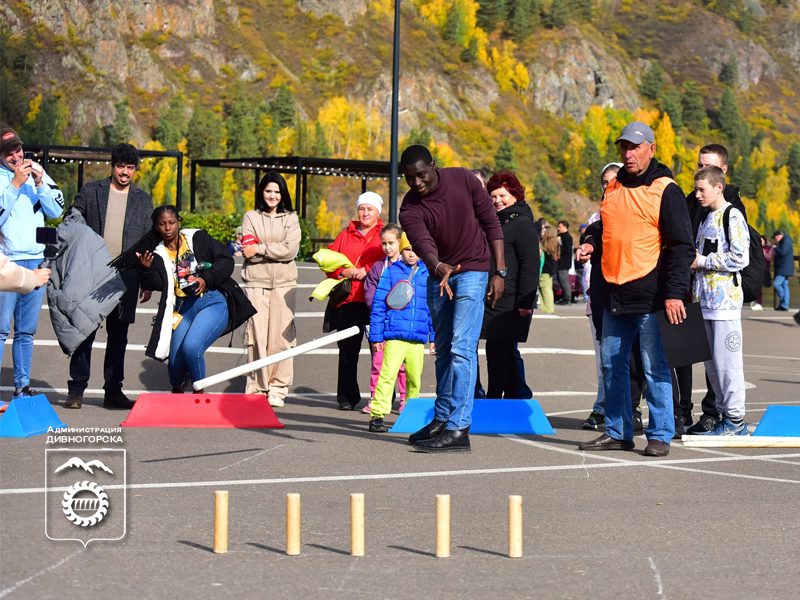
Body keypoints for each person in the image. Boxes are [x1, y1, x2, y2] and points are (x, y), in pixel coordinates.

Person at [577, 121, 694, 457]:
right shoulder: (612, 187)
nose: (628, 154)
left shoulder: (665, 189)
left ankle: (659, 434)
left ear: (651, 149)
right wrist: (589, 242)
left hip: (651, 292)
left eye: (635, 147)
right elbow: (605, 231)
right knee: (613, 365)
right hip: (613, 294)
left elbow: (681, 245)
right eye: (624, 148)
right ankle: (618, 432)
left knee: (654, 366)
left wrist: (674, 292)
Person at [399, 145, 505, 453]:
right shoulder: (409, 207)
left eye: (421, 174)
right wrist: (436, 265)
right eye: (409, 178)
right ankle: (442, 419)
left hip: (473, 269)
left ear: (433, 165)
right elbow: (421, 241)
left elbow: (491, 222)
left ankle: (459, 429)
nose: (417, 183)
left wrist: (500, 271)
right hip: (438, 275)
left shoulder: (463, 179)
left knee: (462, 347)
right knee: (442, 349)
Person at [110, 206, 255, 393]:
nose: (168, 228)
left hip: (212, 301)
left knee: (192, 348)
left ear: (178, 222)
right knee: (175, 370)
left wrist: (205, 279)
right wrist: (145, 270)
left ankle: (199, 395)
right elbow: (157, 283)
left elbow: (225, 260)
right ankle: (179, 390)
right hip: (184, 308)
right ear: (156, 227)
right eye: (162, 224)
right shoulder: (157, 254)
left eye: (171, 222)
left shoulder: (198, 238)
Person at [66, 143, 154, 409]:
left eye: (130, 167)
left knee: (119, 334)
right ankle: (77, 390)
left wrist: (147, 279)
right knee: (85, 330)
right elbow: (74, 214)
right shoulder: (92, 190)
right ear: (112, 165)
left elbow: (150, 241)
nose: (125, 172)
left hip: (127, 274)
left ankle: (113, 391)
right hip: (93, 271)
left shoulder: (144, 199)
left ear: (135, 169)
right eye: (120, 166)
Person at [684, 144, 749, 434]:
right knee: (712, 368)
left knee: (728, 366)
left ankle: (736, 419)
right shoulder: (707, 216)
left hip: (725, 305)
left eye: (702, 190)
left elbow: (741, 257)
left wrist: (703, 261)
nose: (697, 195)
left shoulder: (732, 216)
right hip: (705, 303)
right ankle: (724, 417)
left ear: (718, 187)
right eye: (696, 190)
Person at [0, 128, 64, 400]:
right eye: (8, 153)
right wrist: (15, 184)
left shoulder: (36, 171)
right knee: (1, 329)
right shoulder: (6, 180)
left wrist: (39, 181)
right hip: (7, 264)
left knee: (26, 331)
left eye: (18, 150)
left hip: (36, 262)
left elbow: (56, 210)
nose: (16, 156)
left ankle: (22, 387)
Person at [240, 171, 300, 408]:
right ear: (261, 192)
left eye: (277, 191)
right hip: (256, 284)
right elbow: (247, 252)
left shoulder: (291, 218)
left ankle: (278, 388)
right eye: (268, 191)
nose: (272, 196)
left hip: (285, 287)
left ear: (283, 193)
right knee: (257, 338)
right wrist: (271, 250)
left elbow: (290, 251)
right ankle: (256, 387)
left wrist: (261, 249)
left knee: (282, 339)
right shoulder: (250, 217)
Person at [480, 171, 540, 399]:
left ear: (515, 195)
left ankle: (496, 397)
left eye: (502, 195)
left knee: (499, 351)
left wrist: (526, 301)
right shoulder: (496, 221)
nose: (497, 201)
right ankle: (512, 397)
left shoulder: (522, 223)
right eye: (493, 196)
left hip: (512, 299)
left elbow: (531, 265)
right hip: (494, 297)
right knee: (499, 350)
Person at [368, 238, 435, 433]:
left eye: (415, 249)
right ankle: (378, 415)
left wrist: (435, 337)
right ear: (401, 250)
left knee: (414, 379)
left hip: (418, 338)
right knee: (387, 375)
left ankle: (410, 414)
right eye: (407, 249)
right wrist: (376, 337)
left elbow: (433, 308)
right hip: (395, 336)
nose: (412, 253)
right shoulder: (391, 272)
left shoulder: (428, 273)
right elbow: (379, 305)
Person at [326, 191, 385, 410]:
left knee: (379, 351)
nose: (365, 213)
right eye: (362, 208)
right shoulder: (345, 234)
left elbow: (392, 259)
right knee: (347, 351)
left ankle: (381, 395)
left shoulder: (385, 233)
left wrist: (366, 270)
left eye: (370, 209)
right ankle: (347, 397)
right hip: (348, 299)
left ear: (378, 211)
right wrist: (345, 272)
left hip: (376, 300)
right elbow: (328, 262)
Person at [363, 223, 407, 414]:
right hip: (380, 324)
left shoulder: (408, 266)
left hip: (402, 324)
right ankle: (376, 398)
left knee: (402, 366)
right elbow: (370, 294)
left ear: (400, 242)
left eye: (391, 243)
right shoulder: (378, 267)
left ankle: (405, 399)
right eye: (384, 243)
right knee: (378, 363)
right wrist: (381, 309)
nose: (387, 247)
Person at [0, 245, 50, 412]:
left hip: (35, 258)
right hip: (6, 258)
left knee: (26, 332)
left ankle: (22, 391)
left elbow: (55, 216)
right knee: (1, 330)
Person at [771, 230, 794, 311]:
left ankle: (784, 302)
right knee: (784, 286)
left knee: (776, 284)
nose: (775, 239)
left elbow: (782, 252)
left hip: (784, 268)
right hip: (785, 268)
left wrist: (775, 248)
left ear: (778, 236)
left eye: (775, 237)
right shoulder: (786, 241)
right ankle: (784, 305)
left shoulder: (786, 241)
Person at [539, 224, 558, 315]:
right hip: (551, 269)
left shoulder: (545, 243)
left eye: (543, 231)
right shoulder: (554, 242)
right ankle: (548, 307)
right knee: (548, 288)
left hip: (545, 269)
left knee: (545, 288)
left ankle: (547, 308)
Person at [555, 221, 573, 305]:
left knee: (563, 280)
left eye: (560, 227)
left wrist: (558, 245)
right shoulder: (559, 236)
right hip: (559, 262)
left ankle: (567, 297)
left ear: (565, 227)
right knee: (560, 279)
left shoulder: (567, 237)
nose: (558, 228)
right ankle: (563, 296)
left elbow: (567, 249)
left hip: (564, 263)